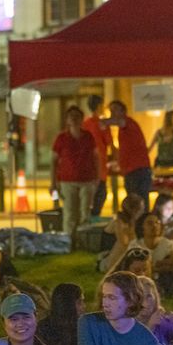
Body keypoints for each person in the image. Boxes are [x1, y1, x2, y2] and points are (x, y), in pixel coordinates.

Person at [50, 105, 99, 245]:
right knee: (70, 213)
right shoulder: (61, 138)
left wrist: (97, 178)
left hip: (87, 180)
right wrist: (53, 182)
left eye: (77, 116)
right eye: (71, 116)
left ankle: (83, 242)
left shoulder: (88, 137)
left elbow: (96, 157)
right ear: (67, 120)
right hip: (67, 181)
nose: (74, 119)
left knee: (85, 212)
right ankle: (68, 242)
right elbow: (53, 161)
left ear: (82, 119)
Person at [105, 100, 152, 209]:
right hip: (131, 171)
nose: (112, 113)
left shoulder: (128, 123)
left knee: (138, 204)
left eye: (114, 110)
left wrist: (103, 122)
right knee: (134, 205)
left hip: (138, 171)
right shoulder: (123, 129)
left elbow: (119, 121)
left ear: (123, 111)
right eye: (110, 110)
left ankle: (142, 224)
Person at [130, 212, 173, 298]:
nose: (154, 226)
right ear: (142, 227)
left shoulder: (167, 243)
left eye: (157, 223)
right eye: (150, 223)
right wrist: (163, 264)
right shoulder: (135, 245)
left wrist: (156, 266)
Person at [83, 94, 115, 218]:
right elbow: (109, 143)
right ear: (99, 106)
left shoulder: (85, 123)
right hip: (100, 166)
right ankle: (94, 219)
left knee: (89, 197)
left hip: (87, 167)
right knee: (100, 195)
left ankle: (88, 219)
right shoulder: (102, 124)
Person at [97, 194, 145, 273]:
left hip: (120, 257)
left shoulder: (131, 222)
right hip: (106, 261)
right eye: (141, 208)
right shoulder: (118, 222)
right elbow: (124, 243)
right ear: (134, 209)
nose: (143, 211)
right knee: (124, 243)